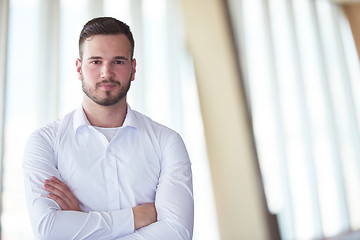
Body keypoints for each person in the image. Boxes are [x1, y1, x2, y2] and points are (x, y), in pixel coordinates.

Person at [23, 17, 194, 240]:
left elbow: (177, 233)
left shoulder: (167, 141)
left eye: (118, 62)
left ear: (133, 69)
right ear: (79, 68)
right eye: (95, 61)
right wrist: (135, 216)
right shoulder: (45, 143)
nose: (106, 73)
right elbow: (49, 230)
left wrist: (82, 220)